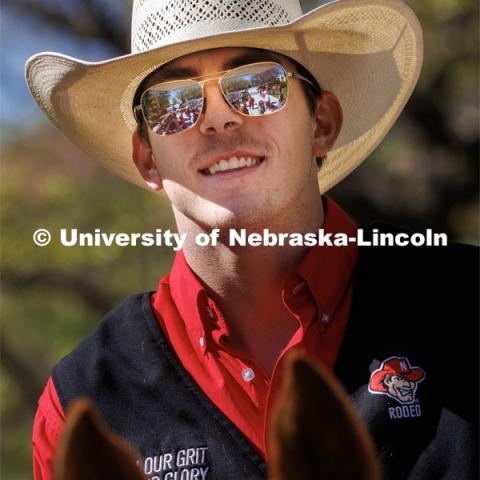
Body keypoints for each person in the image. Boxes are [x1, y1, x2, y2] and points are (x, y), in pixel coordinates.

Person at [26, 0, 478, 479]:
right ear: (147, 157)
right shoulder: (80, 402)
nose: (218, 120)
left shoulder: (467, 305)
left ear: (321, 123)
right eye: (174, 103)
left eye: (258, 86)